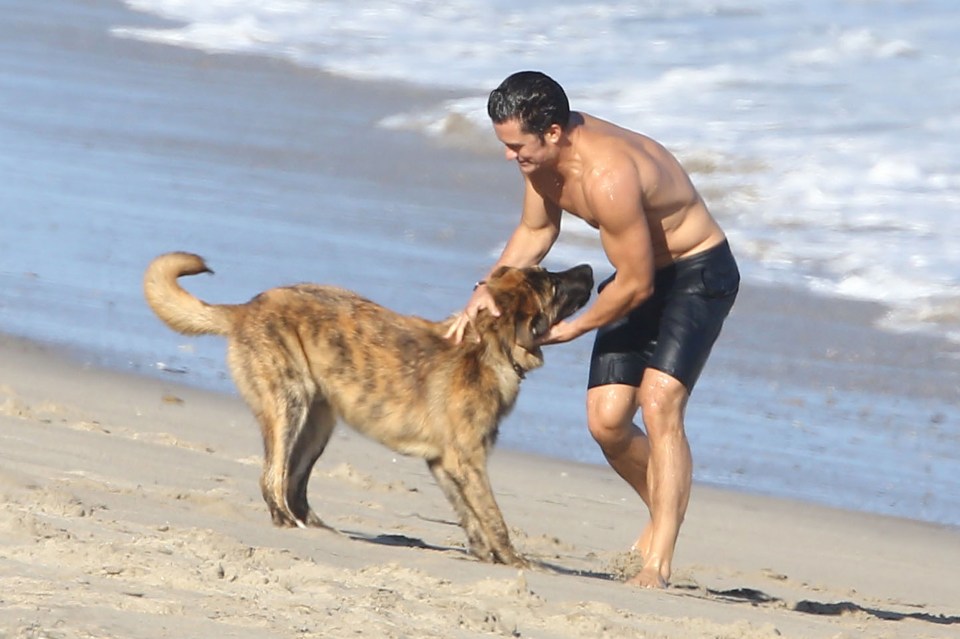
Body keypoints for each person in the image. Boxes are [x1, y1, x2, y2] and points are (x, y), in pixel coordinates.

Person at [446, 71, 739, 589]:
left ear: (553, 132)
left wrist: (574, 328)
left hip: (696, 271)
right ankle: (663, 509)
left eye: (516, 147)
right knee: (606, 422)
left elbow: (637, 282)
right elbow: (537, 231)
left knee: (660, 397)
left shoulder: (609, 176)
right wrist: (485, 289)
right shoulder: (541, 163)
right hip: (640, 275)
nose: (509, 157)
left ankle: (658, 562)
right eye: (505, 146)